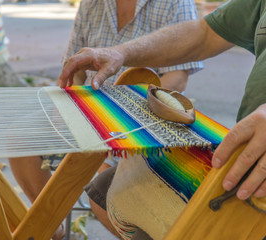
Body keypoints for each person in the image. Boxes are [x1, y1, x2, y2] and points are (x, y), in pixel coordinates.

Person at [59, 0, 266, 237]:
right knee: (104, 189)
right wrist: (121, 53)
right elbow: (204, 34)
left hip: (256, 184)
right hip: (245, 162)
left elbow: (181, 74)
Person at [9, 0, 203, 238]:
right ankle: (50, 229)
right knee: (20, 139)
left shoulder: (175, 3)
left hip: (145, 124)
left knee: (103, 190)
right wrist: (72, 109)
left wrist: (120, 112)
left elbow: (178, 78)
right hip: (90, 114)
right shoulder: (92, 3)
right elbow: (76, 70)